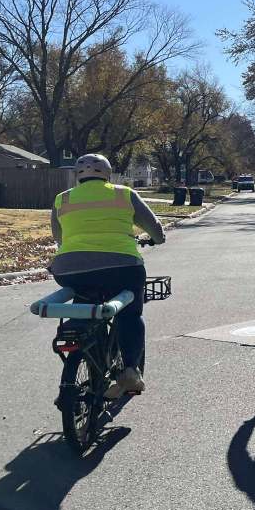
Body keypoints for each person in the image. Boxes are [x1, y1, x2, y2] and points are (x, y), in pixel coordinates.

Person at [50, 154, 165, 398]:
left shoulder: (63, 198)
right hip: (122, 268)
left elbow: (59, 238)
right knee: (130, 314)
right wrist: (156, 239)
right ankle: (130, 369)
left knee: (85, 303)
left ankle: (88, 354)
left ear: (77, 176)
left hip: (70, 269)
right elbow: (155, 229)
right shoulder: (123, 194)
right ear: (108, 174)